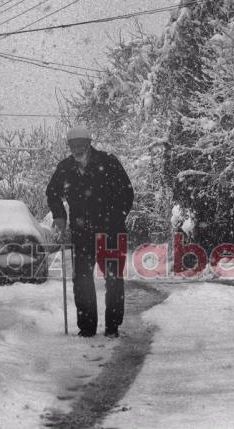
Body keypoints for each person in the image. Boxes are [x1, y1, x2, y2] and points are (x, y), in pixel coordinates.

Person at [46, 126, 134, 338]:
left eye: (80, 145)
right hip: (82, 233)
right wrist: (59, 216)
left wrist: (115, 218)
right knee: (82, 279)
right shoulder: (65, 168)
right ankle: (87, 328)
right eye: (73, 146)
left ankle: (112, 327)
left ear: (88, 144)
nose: (77, 149)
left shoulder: (108, 162)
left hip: (111, 232)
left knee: (113, 279)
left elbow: (127, 192)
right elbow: (52, 193)